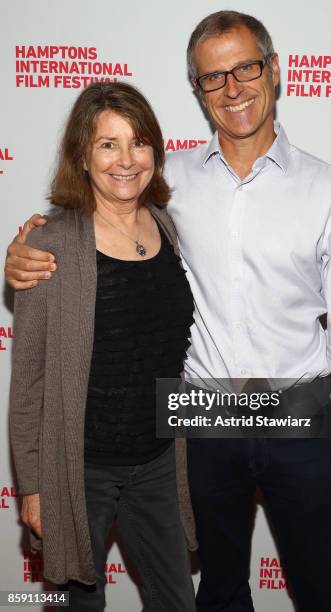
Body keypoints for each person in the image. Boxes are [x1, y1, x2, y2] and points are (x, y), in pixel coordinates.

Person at [5, 11, 331, 612]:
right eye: (214, 77)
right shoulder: (167, 183)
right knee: (217, 594)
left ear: (275, 71)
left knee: (324, 591)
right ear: (198, 89)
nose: (232, 87)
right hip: (203, 420)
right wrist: (29, 246)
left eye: (246, 68)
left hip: (299, 415)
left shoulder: (329, 189)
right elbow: (92, 223)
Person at [9, 81, 197, 612]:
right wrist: (33, 486)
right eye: (107, 144)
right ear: (82, 156)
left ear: (155, 152)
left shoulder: (166, 227)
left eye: (138, 142)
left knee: (177, 602)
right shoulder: (50, 243)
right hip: (80, 469)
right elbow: (29, 380)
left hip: (159, 461)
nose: (126, 160)